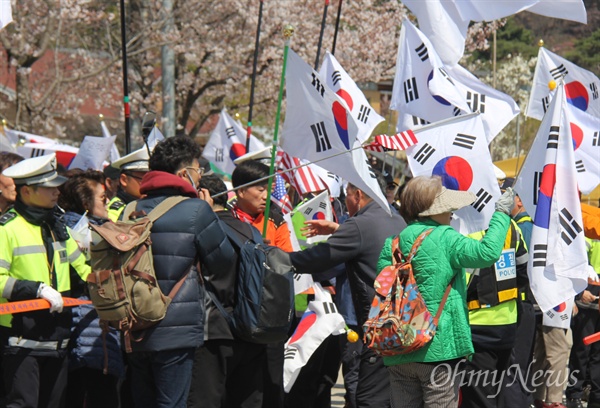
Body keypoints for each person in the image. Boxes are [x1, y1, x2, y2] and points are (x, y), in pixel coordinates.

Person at [378, 175, 514, 408]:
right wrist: (501, 213)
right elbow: (488, 252)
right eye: (447, 208)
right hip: (438, 348)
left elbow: (384, 287)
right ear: (431, 210)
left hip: (398, 345)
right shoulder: (445, 237)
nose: (451, 213)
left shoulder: (393, 243)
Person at [125, 136, 234, 408]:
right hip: (175, 327)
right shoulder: (196, 210)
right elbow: (224, 261)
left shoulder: (128, 210)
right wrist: (209, 214)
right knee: (172, 403)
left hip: (131, 325)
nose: (200, 177)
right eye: (198, 171)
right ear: (185, 173)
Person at [288, 173, 407, 408]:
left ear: (358, 195)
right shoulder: (396, 218)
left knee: (366, 398)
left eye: (348, 196)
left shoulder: (360, 224)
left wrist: (276, 257)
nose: (346, 201)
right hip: (403, 320)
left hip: (377, 324)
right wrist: (337, 228)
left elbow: (318, 259)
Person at [0, 153, 90, 408]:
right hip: (19, 340)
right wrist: (36, 289)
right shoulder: (6, 229)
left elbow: (83, 270)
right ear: (27, 191)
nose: (57, 192)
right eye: (50, 188)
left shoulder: (56, 226)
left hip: (57, 338)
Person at [188, 174, 267, 408]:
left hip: (213, 329)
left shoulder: (204, 232)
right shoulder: (251, 231)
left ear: (203, 197)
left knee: (205, 399)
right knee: (246, 400)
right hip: (251, 327)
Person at [58, 169, 124, 408]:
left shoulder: (95, 228)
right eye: (103, 199)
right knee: (96, 393)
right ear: (86, 203)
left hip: (91, 326)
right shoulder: (80, 231)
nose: (108, 205)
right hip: (89, 326)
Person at [230, 159, 292, 408]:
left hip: (268, 317)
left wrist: (267, 251)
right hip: (235, 316)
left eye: (269, 188)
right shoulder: (225, 218)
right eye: (260, 188)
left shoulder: (276, 221)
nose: (266, 195)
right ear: (240, 191)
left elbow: (286, 263)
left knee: (270, 384)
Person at [106, 147, 150, 222]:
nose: (148, 184)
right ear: (124, 180)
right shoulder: (115, 212)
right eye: (143, 179)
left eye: (150, 179)